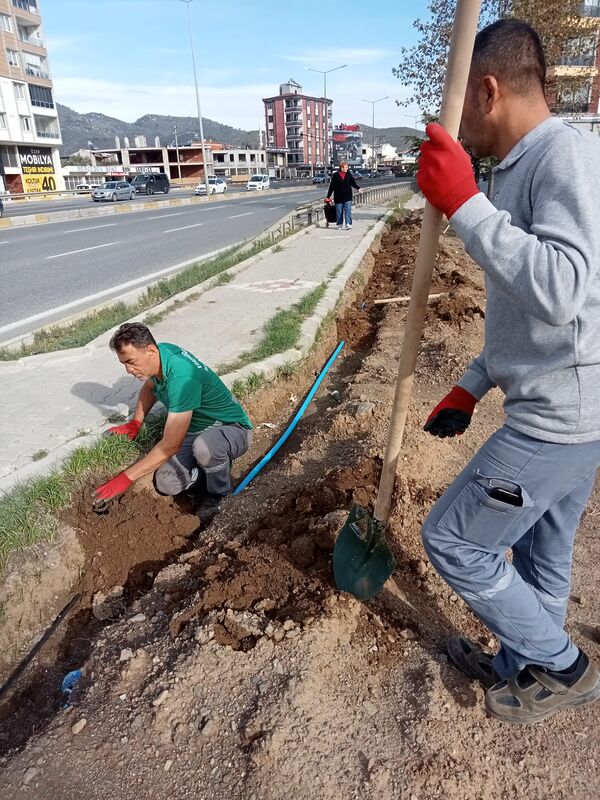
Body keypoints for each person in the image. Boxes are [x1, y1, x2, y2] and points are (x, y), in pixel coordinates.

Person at [416, 19, 600, 724]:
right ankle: (521, 663)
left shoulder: (566, 157)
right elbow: (526, 314)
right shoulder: (521, 166)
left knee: (453, 539)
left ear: (486, 89)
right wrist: (475, 379)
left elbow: (562, 289)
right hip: (565, 408)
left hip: (559, 420)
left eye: (461, 109)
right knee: (542, 559)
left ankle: (565, 667)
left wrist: (465, 204)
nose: (458, 128)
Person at [94, 323, 253, 523]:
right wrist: (135, 422)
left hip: (231, 428)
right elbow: (150, 387)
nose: (128, 370)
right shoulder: (161, 356)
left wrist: (125, 478)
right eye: (123, 363)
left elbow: (170, 445)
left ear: (150, 350)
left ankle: (219, 495)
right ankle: (210, 472)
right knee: (165, 482)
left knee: (206, 448)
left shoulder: (182, 377)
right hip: (196, 431)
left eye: (131, 361)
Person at [326, 161, 361, 230]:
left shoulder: (348, 174)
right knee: (339, 212)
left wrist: (358, 188)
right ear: (341, 168)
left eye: (347, 167)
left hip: (347, 196)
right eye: (346, 167)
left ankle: (348, 223)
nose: (347, 169)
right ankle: (339, 224)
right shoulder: (335, 175)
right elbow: (331, 187)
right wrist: (328, 197)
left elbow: (353, 183)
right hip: (338, 197)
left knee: (348, 210)